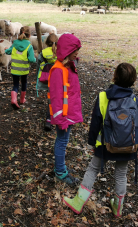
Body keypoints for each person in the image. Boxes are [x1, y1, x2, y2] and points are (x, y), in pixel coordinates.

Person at [63, 63, 138, 217]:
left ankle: (78, 202)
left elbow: (95, 122)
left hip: (105, 144)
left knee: (93, 169)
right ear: (133, 80)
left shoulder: (103, 96)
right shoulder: (135, 101)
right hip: (128, 145)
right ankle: (117, 208)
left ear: (115, 76)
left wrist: (92, 142)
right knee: (121, 174)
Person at [48, 33, 83, 185]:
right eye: (75, 50)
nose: (77, 53)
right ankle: (60, 171)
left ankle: (61, 167)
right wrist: (60, 118)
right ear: (68, 50)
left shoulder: (67, 66)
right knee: (62, 141)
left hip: (69, 112)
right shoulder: (58, 70)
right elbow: (56, 97)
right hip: (64, 115)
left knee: (64, 140)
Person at [5, 26, 36, 109]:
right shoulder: (29, 46)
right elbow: (32, 59)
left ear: (19, 34)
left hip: (15, 69)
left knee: (15, 84)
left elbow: (8, 52)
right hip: (24, 70)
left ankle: (14, 99)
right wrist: (34, 59)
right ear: (29, 36)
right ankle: (22, 100)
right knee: (24, 83)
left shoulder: (14, 44)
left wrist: (5, 50)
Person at [35, 33, 58, 131]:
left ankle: (49, 119)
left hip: (49, 77)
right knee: (61, 97)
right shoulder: (61, 52)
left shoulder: (43, 52)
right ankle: (59, 116)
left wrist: (37, 75)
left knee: (51, 98)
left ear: (46, 42)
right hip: (60, 77)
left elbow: (39, 64)